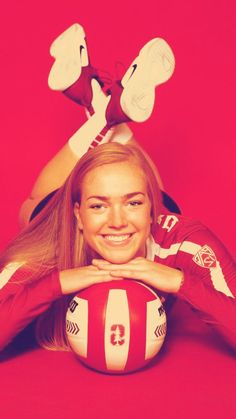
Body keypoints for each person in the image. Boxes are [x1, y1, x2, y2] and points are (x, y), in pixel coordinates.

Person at [0, 24, 235, 353]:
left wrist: (182, 284)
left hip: (152, 214)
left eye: (134, 203)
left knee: (126, 176)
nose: (117, 220)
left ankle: (99, 104)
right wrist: (57, 283)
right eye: (98, 206)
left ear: (152, 207)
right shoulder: (49, 250)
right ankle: (107, 110)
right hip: (54, 218)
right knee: (29, 211)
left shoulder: (182, 242)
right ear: (78, 215)